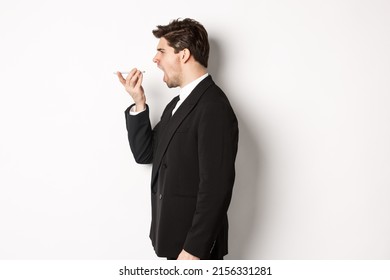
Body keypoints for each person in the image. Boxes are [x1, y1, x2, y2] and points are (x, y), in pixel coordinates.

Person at [117, 18, 238, 260]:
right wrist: (139, 102)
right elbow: (146, 154)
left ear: (183, 55)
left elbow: (216, 188)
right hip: (172, 241)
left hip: (193, 251)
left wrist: (194, 249)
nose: (155, 59)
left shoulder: (213, 106)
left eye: (161, 51)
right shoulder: (176, 104)